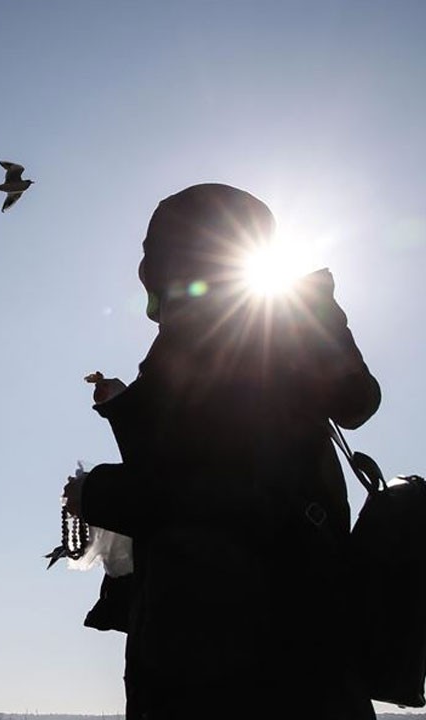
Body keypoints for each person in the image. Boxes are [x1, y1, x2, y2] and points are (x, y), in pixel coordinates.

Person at [62, 184, 381, 719]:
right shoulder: (288, 329)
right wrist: (129, 408)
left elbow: (207, 491)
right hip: (311, 647)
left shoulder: (206, 341)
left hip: (213, 658)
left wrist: (92, 490)